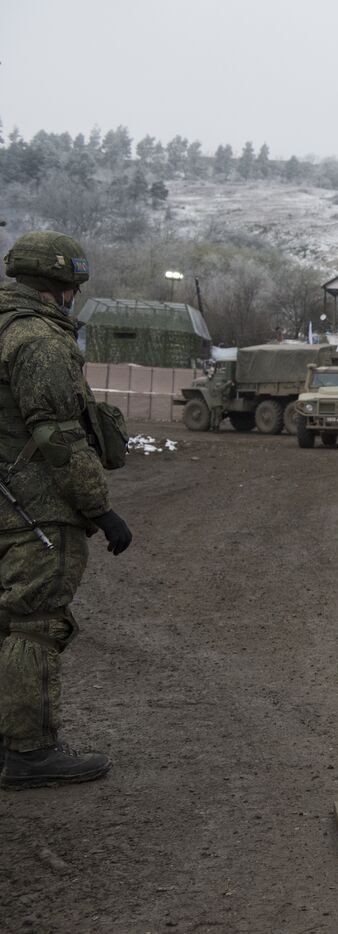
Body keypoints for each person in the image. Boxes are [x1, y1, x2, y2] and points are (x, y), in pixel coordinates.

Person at [0, 230, 133, 789]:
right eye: (72, 287)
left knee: (10, 621)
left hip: (9, 499)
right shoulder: (42, 342)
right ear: (59, 287)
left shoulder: (8, 330)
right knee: (34, 623)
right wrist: (101, 511)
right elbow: (57, 436)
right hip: (37, 509)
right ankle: (31, 753)